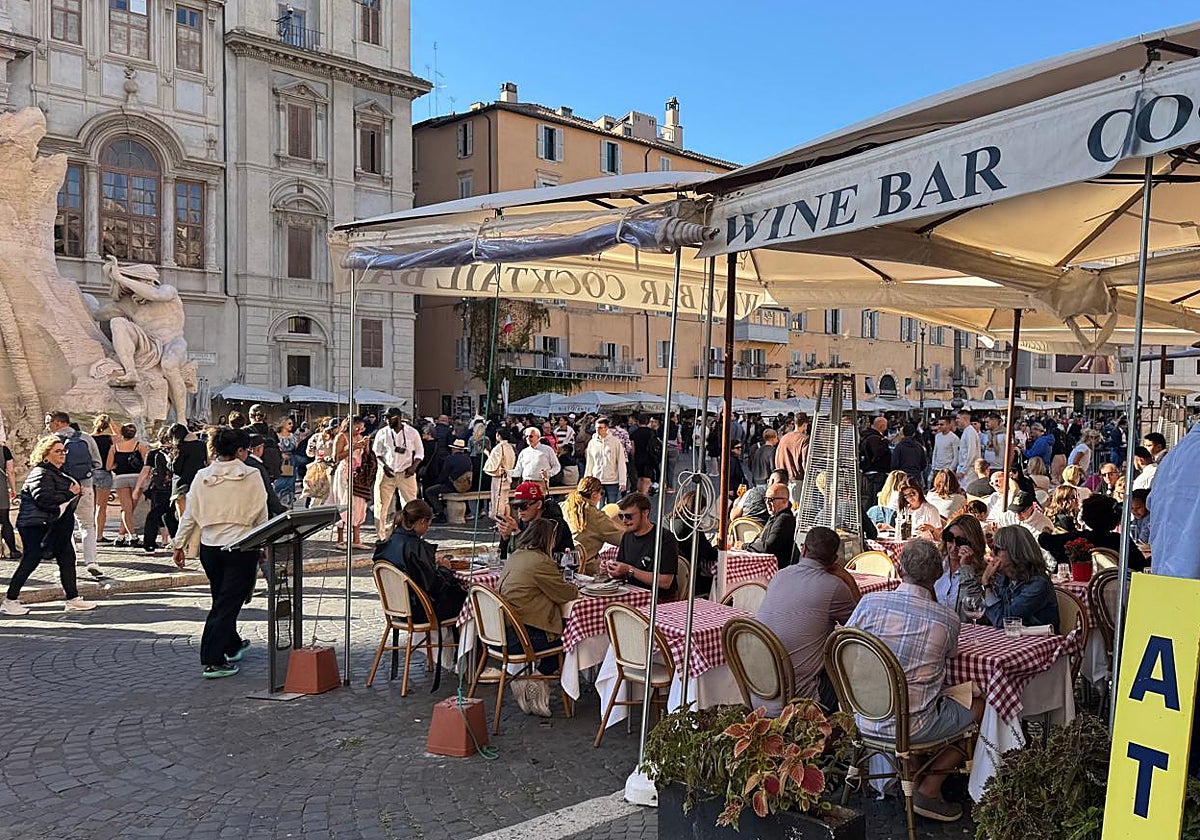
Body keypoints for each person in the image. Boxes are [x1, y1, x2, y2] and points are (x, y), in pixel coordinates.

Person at [846, 539, 984, 823]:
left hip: (865, 715)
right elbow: (951, 655)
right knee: (979, 703)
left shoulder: (869, 603)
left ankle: (913, 774)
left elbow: (846, 646)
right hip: (915, 725)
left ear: (898, 569)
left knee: (925, 692)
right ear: (937, 576)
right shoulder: (947, 619)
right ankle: (929, 788)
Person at [171, 427, 268, 678]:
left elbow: (190, 514)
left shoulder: (202, 475)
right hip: (242, 545)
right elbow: (261, 513)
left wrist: (178, 545)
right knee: (227, 603)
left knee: (222, 598)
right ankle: (212, 657)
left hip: (210, 547)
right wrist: (263, 545)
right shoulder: (252, 475)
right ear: (239, 450)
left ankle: (232, 643)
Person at [755, 526, 856, 713]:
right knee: (851, 673)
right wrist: (847, 578)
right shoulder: (834, 586)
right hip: (797, 700)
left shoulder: (779, 575)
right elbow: (858, 628)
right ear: (834, 560)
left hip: (757, 691)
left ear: (803, 549)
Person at [1, 435, 96, 614]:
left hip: (54, 525)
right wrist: (70, 493)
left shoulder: (56, 472)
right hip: (36, 525)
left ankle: (73, 598)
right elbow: (44, 499)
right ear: (46, 455)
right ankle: (10, 600)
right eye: (57, 451)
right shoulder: (41, 473)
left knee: (67, 559)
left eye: (63, 451)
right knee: (31, 560)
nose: (62, 454)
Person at [498, 518, 578, 717]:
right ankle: (537, 678)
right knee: (572, 642)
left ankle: (536, 681)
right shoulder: (541, 561)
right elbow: (566, 594)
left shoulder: (516, 555)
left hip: (504, 633)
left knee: (560, 635)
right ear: (548, 540)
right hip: (524, 636)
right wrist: (575, 586)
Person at [373, 499, 467, 622]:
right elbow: (434, 587)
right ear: (423, 521)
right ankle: (468, 640)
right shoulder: (417, 547)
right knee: (469, 597)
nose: (428, 528)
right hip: (421, 610)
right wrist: (444, 569)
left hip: (397, 607)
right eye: (429, 523)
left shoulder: (387, 543)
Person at [45, 411, 103, 576]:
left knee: (63, 526)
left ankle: (68, 564)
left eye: (48, 422)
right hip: (85, 486)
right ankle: (92, 562)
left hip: (61, 489)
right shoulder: (85, 437)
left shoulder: (51, 442)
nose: (47, 426)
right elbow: (97, 463)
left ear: (57, 423)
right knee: (87, 526)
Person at [602, 492, 681, 600]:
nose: (624, 520)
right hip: (631, 596)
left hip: (658, 600)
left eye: (629, 516)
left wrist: (630, 570)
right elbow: (622, 572)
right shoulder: (627, 536)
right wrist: (611, 569)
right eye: (621, 516)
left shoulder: (665, 538)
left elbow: (665, 582)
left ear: (645, 513)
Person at [981, 525, 1060, 631]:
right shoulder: (1004, 578)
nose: (992, 553)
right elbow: (982, 614)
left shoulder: (1037, 584)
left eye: (996, 550)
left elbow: (1003, 621)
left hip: (1039, 644)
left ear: (1015, 552)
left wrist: (987, 585)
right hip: (1012, 642)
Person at [1039, 494, 1146, 571]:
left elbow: (1044, 541)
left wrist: (1045, 531)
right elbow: (1140, 565)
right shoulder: (1119, 540)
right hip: (1115, 590)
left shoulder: (1078, 538)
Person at [372, 411, 424, 541]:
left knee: (410, 504)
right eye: (385, 418)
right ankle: (381, 536)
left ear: (398, 418)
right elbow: (377, 453)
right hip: (386, 472)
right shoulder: (382, 432)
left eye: (389, 418)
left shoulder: (412, 432)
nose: (386, 420)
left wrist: (413, 468)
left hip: (406, 473)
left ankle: (411, 533)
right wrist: (384, 466)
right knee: (381, 504)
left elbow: (420, 453)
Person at [495, 481, 574, 561]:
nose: (519, 511)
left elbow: (536, 555)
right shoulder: (524, 522)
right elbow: (504, 558)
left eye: (523, 506)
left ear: (539, 504)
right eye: (516, 506)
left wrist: (516, 534)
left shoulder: (553, 523)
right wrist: (506, 538)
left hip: (556, 570)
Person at [561, 476, 624, 575]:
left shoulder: (563, 506)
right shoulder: (596, 516)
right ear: (594, 495)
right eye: (601, 493)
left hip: (563, 565)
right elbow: (622, 539)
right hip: (586, 571)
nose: (600, 498)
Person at [133, 427, 178, 554]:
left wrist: (138, 488)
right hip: (174, 488)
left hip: (159, 489)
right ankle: (176, 540)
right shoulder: (177, 451)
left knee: (154, 516)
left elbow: (145, 471)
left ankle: (150, 544)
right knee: (171, 516)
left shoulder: (153, 453)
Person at [665, 489, 716, 598]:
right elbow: (711, 554)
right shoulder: (693, 529)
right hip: (689, 580)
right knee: (716, 581)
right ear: (699, 510)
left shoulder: (666, 521)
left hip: (669, 575)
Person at [935, 514, 986, 620]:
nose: (953, 547)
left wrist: (966, 568)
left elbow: (975, 610)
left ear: (973, 543)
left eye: (960, 542)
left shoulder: (982, 574)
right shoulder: (936, 564)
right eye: (949, 539)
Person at [328, 417, 369, 549]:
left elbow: (365, 456)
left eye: (362, 428)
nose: (359, 430)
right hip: (345, 472)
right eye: (357, 427)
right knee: (344, 503)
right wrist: (352, 448)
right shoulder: (341, 437)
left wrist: (366, 446)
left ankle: (356, 539)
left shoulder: (360, 437)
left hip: (358, 473)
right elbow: (335, 457)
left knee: (359, 503)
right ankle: (340, 539)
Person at [106, 422, 148, 548]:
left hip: (121, 478)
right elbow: (147, 464)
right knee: (131, 509)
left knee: (126, 509)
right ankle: (132, 537)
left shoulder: (115, 447)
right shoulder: (139, 445)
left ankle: (122, 536)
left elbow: (108, 466)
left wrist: (117, 466)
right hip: (137, 478)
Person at [741, 482, 796, 571]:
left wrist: (744, 546)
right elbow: (760, 540)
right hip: (763, 564)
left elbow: (768, 547)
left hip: (774, 570)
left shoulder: (784, 519)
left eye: (771, 500)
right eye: (765, 499)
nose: (767, 503)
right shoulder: (775, 516)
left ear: (784, 501)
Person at [424, 439, 473, 523]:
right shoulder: (467, 459)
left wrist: (437, 481)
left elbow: (444, 476)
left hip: (453, 486)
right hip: (466, 486)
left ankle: (440, 513)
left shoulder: (450, 459)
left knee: (429, 491)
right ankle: (467, 512)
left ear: (454, 449)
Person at [583, 416, 627, 505]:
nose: (598, 430)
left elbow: (621, 463)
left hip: (612, 481)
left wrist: (623, 481)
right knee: (598, 508)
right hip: (597, 480)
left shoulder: (615, 442)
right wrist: (586, 479)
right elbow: (590, 463)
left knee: (612, 508)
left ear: (606, 428)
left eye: (600, 428)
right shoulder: (592, 443)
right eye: (596, 428)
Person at [246, 435, 288, 518]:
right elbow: (267, 490)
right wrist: (281, 509)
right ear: (259, 449)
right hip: (259, 510)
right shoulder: (257, 467)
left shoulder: (243, 463)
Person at [90, 414, 117, 544]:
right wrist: (112, 422)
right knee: (101, 506)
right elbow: (121, 435)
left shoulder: (88, 439)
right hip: (104, 473)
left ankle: (89, 533)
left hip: (90, 473)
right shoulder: (109, 439)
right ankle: (99, 535)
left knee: (91, 506)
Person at [511, 427, 561, 491]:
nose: (528, 438)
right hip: (526, 483)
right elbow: (518, 471)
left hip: (540, 483)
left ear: (538, 437)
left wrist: (548, 473)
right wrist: (506, 472)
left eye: (531, 436)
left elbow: (557, 466)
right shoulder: (524, 452)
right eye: (526, 436)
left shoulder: (547, 450)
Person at [482, 430, 516, 519]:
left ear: (499, 436)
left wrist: (487, 454)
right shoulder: (510, 447)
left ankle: (499, 522)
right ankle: (506, 519)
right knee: (505, 500)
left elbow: (494, 463)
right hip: (508, 475)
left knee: (498, 500)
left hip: (499, 476)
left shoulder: (499, 447)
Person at [244, 404, 282, 481]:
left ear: (250, 415)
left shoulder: (245, 431)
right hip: (271, 470)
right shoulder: (271, 431)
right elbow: (278, 447)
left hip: (252, 470)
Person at [775, 416, 809, 502]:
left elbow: (777, 457)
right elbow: (805, 462)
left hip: (783, 478)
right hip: (797, 479)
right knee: (796, 509)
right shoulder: (804, 439)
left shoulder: (784, 437)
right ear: (805, 425)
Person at [859, 416, 892, 501]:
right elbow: (877, 453)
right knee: (875, 497)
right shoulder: (875, 439)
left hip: (869, 472)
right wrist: (885, 442)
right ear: (882, 426)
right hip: (876, 474)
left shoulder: (866, 436)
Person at [891, 423, 928, 488]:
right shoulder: (919, 447)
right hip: (916, 476)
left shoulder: (899, 447)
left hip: (902, 477)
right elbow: (924, 464)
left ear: (903, 433)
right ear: (914, 433)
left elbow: (894, 464)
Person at [274, 417, 298, 506]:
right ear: (283, 424)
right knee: (279, 483)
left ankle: (289, 504)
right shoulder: (276, 436)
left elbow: (295, 447)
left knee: (290, 483)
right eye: (289, 423)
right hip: (279, 460)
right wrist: (281, 454)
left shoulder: (292, 436)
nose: (291, 425)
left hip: (291, 460)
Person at [954, 410, 982, 483]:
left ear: (964, 419)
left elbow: (971, 453)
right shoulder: (966, 431)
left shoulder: (970, 432)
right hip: (964, 468)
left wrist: (963, 471)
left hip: (968, 470)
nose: (956, 421)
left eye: (958, 418)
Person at [0, 441, 16, 558]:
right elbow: (10, 471)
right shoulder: (4, 450)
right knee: (5, 520)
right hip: (1, 489)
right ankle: (13, 550)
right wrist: (13, 489)